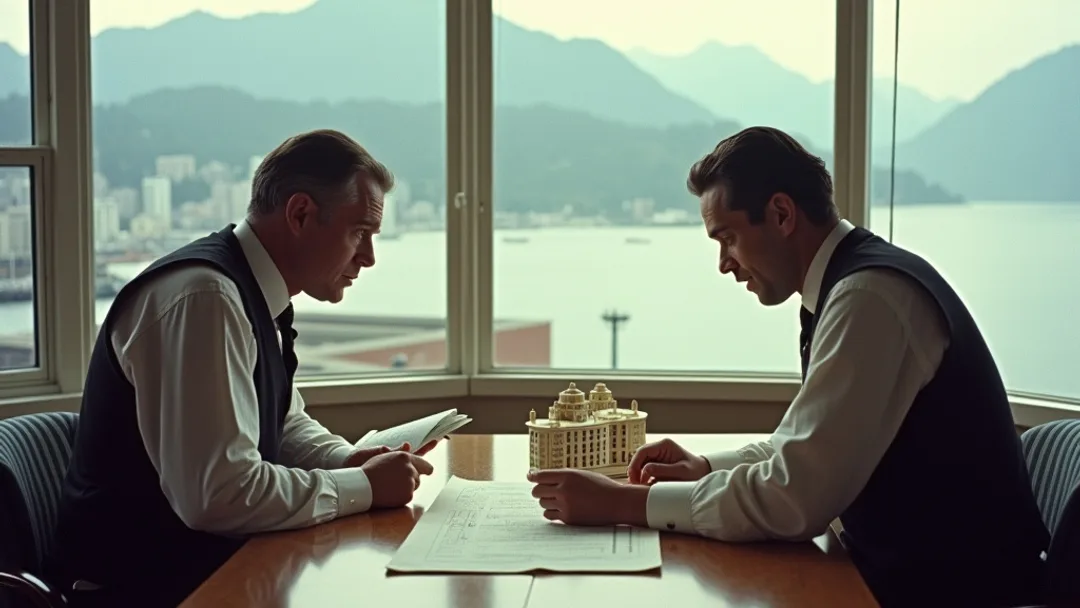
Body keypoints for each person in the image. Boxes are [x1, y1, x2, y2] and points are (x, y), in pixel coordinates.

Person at [527, 126, 1050, 607]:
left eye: (727, 237)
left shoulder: (870, 298)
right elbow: (801, 450)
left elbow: (794, 499)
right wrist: (705, 468)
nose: (723, 264)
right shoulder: (853, 286)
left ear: (781, 214)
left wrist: (622, 505)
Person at [46, 129, 436, 607]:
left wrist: (345, 460)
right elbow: (220, 496)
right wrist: (364, 486)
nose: (369, 257)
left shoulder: (245, 290)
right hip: (142, 592)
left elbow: (282, 422)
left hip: (200, 574)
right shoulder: (205, 299)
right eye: (359, 232)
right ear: (300, 214)